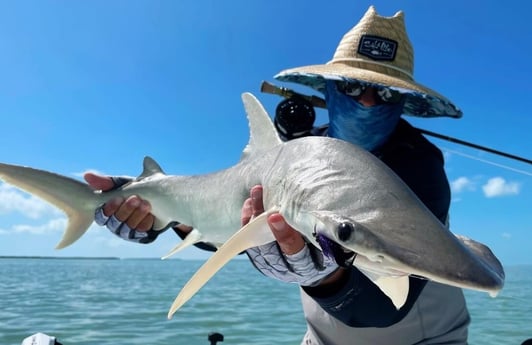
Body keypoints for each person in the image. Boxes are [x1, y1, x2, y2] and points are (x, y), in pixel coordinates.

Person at [84, 6, 471, 345]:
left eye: (385, 93)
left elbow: (387, 309)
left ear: (402, 102)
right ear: (329, 90)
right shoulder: (301, 151)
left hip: (427, 339)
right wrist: (154, 214)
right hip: (322, 338)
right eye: (353, 86)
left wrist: (320, 278)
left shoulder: (421, 165)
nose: (368, 101)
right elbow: (233, 221)